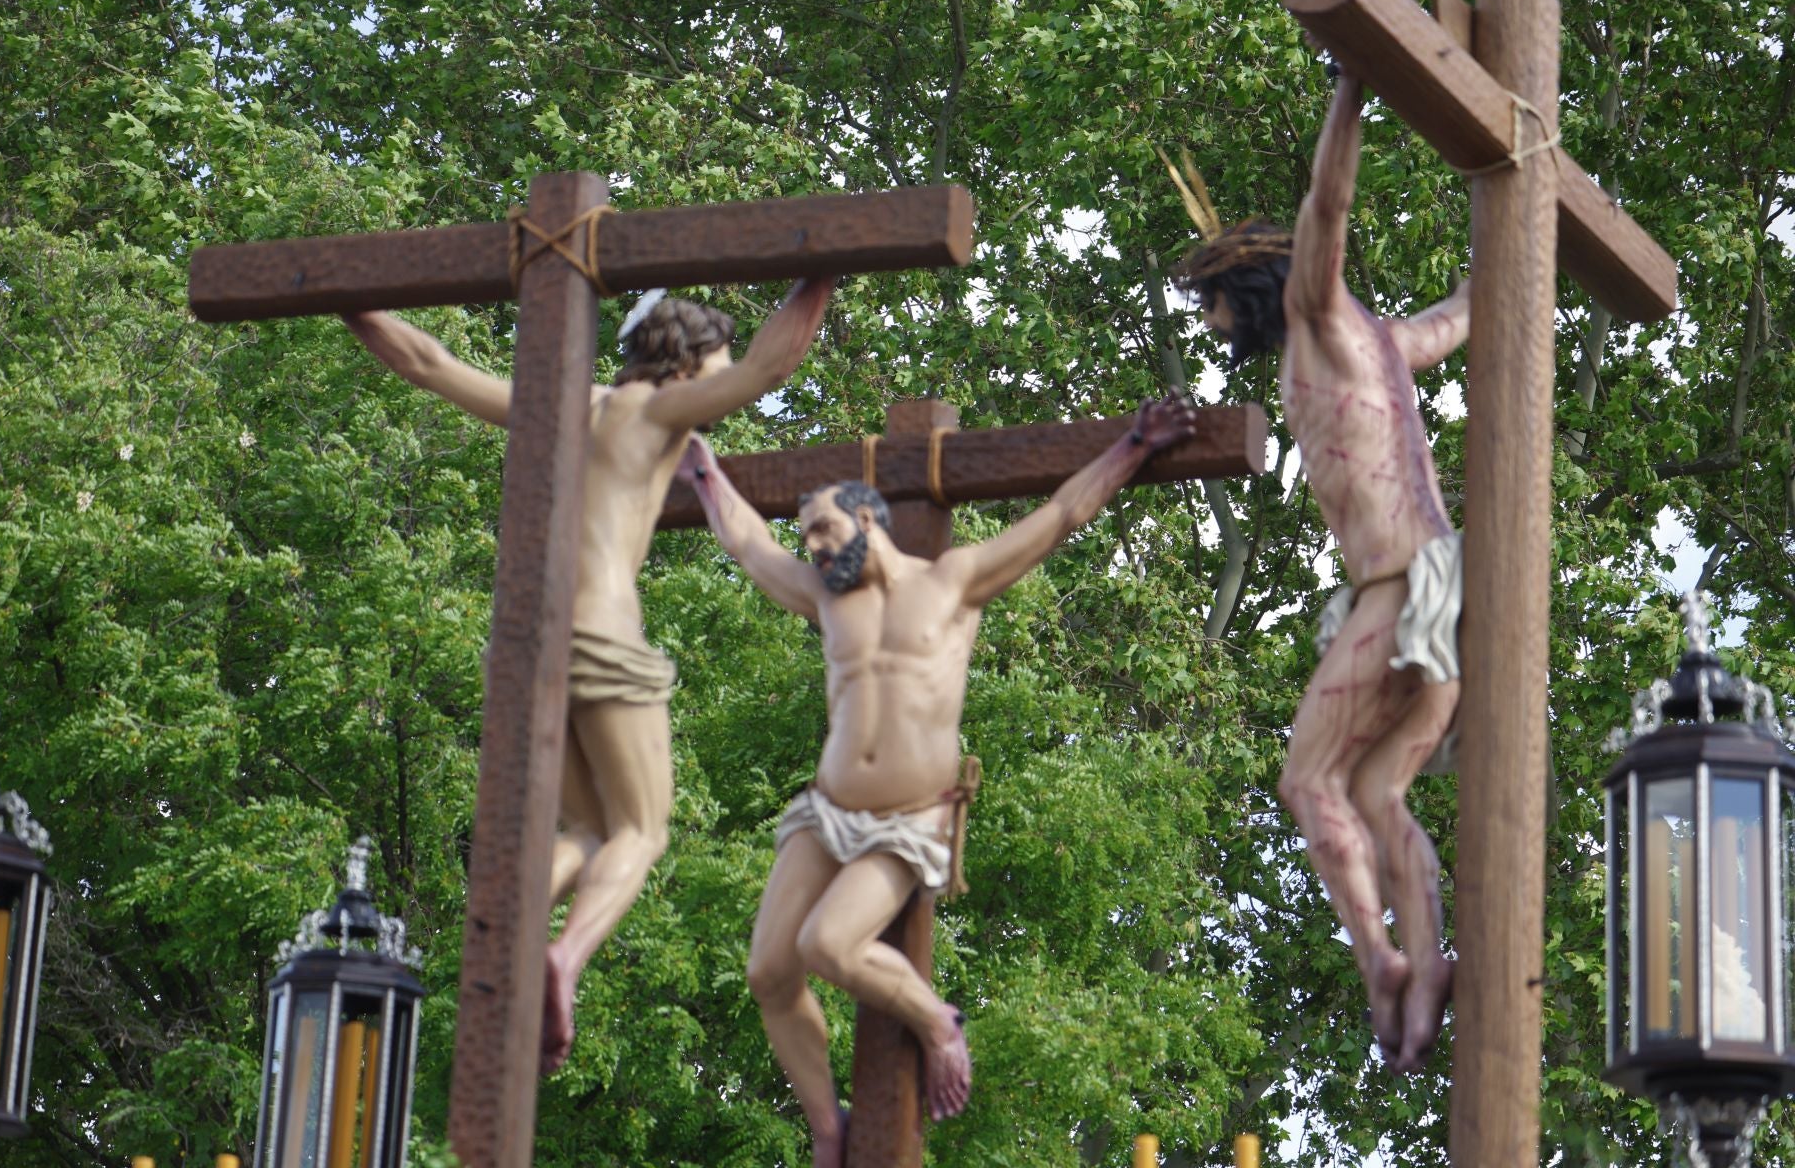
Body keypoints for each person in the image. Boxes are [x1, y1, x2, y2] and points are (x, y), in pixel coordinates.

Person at [679, 394, 1196, 1166]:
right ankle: (827, 1127)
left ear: (868, 518)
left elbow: (1060, 516)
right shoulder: (827, 598)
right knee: (768, 971)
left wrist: (1133, 447)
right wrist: (705, 473)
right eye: (807, 534)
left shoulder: (952, 581)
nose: (812, 545)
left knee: (829, 944)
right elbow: (749, 544)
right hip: (826, 811)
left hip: (907, 818)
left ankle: (937, 1023)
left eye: (823, 528)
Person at [341, 277, 835, 1073]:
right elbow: (770, 369)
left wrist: (348, 298)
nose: (723, 376)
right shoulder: (660, 410)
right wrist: (824, 275)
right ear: (684, 362)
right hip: (602, 629)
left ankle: (511, 935)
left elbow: (426, 362)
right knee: (643, 829)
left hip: (523, 640)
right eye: (717, 359)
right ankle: (565, 959)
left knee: (588, 831)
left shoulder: (566, 406)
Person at [1177, 70, 1469, 1072]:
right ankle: (1428, 968)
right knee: (1379, 789)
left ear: (1247, 285)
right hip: (1438, 587)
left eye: (1210, 304)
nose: (1210, 326)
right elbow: (1463, 311)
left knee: (1308, 779)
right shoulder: (1386, 343)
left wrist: (1351, 87)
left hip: (1401, 584)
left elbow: (1327, 204)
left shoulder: (1317, 311)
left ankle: (1380, 957)